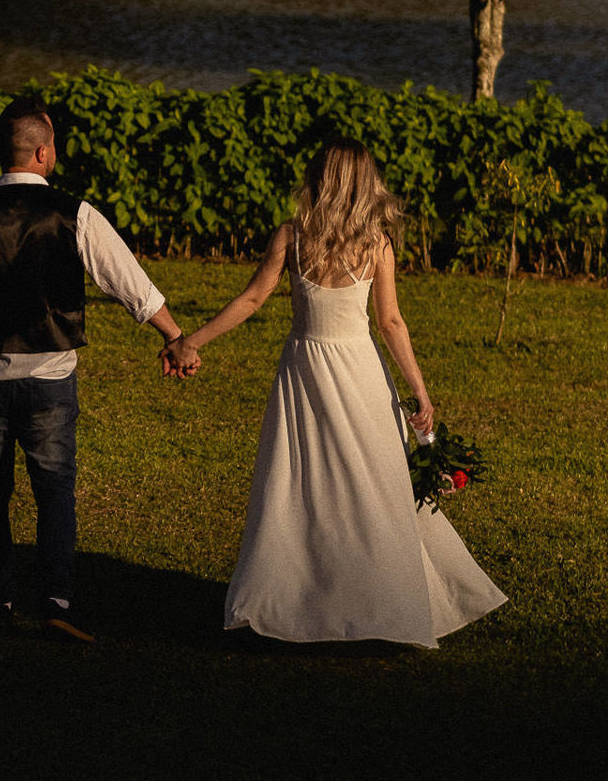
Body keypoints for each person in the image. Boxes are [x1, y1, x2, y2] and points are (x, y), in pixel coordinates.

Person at [166, 138, 507, 647]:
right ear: (366, 185)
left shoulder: (293, 235)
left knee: (306, 484)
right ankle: (373, 598)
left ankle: (309, 595)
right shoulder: (377, 244)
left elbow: (253, 298)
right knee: (371, 484)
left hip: (306, 368)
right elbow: (390, 321)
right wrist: (420, 392)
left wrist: (191, 339)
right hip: (358, 371)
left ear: (319, 178)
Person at [0, 96, 192, 643]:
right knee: (54, 491)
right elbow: (129, 282)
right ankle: (57, 600)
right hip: (49, 377)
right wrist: (175, 336)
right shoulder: (76, 214)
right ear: (42, 152)